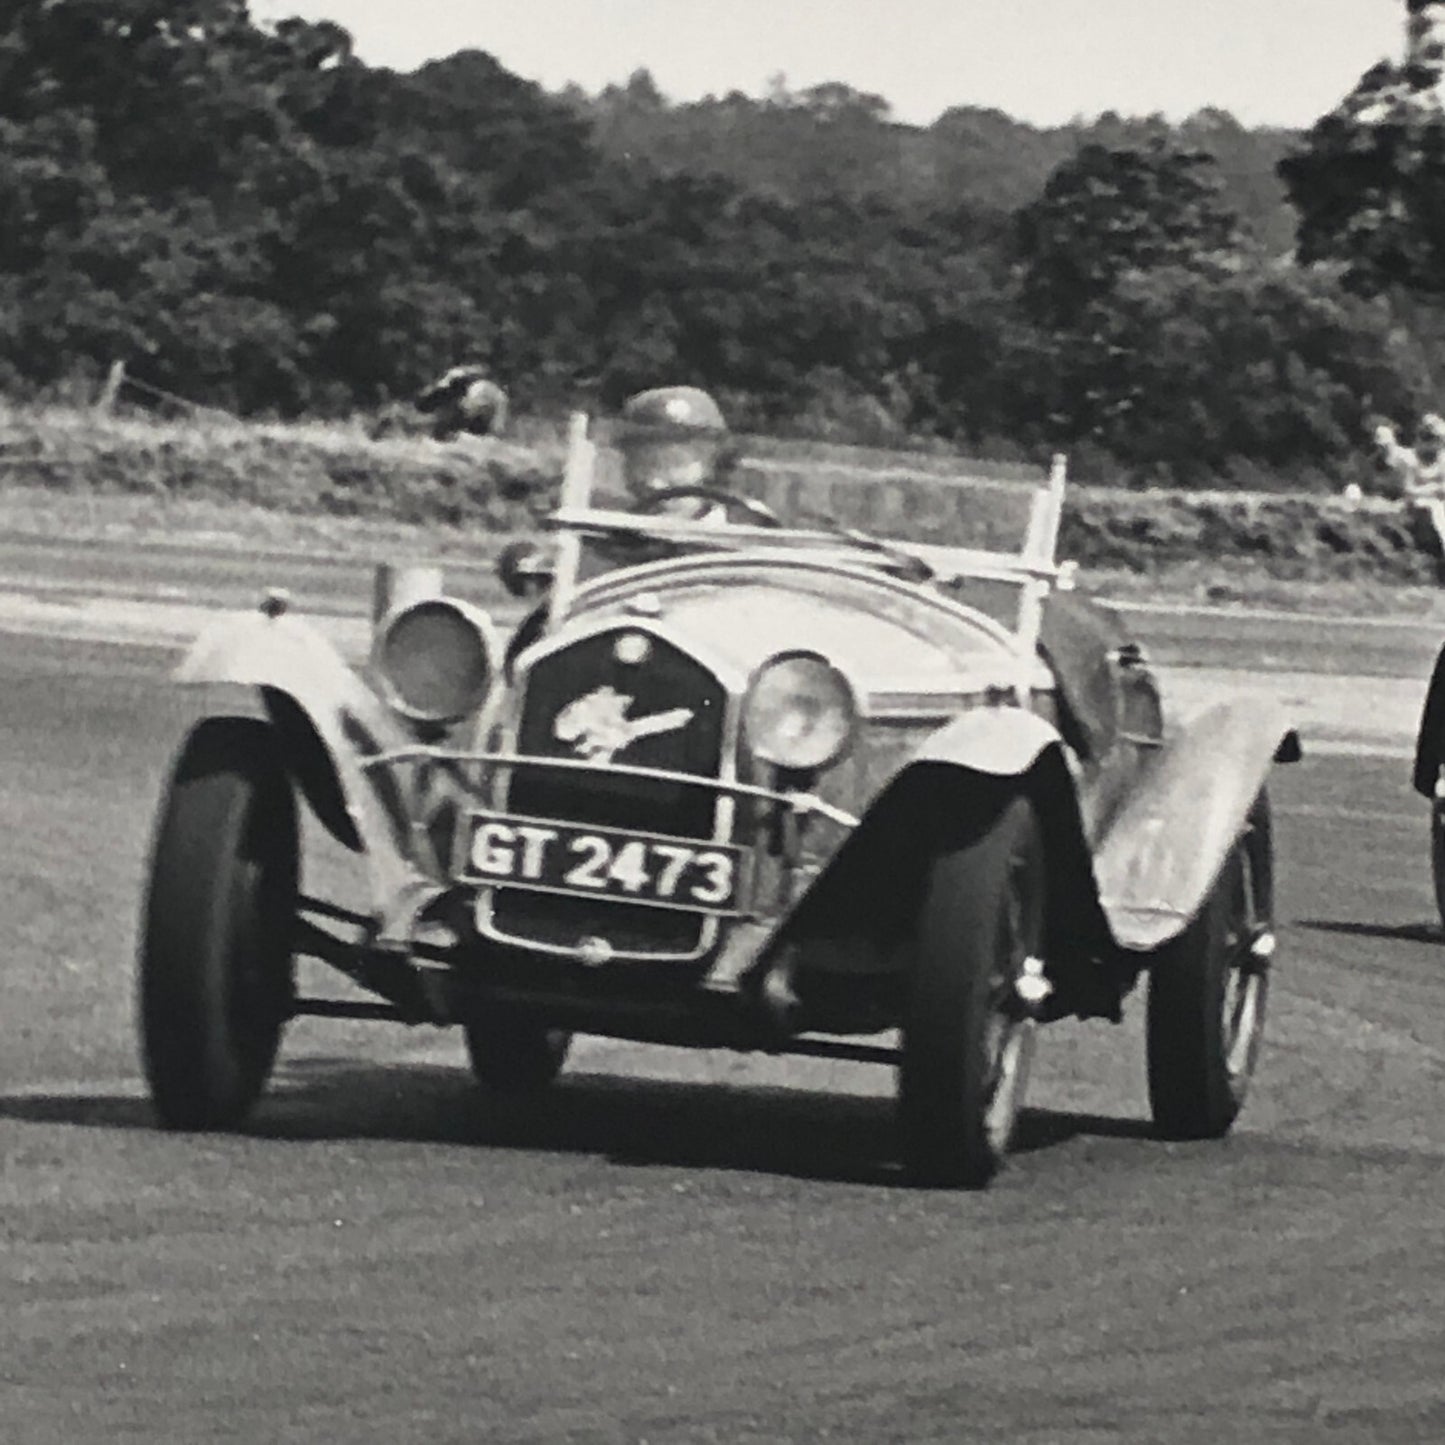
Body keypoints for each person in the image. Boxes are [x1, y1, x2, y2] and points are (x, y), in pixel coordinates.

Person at [1372, 413, 1445, 579]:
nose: (1433, 444)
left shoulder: (1443, 460)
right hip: (1420, 504)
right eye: (1428, 438)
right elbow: (1408, 489)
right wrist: (1433, 489)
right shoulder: (1412, 460)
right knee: (1435, 513)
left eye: (1436, 439)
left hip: (1437, 502)